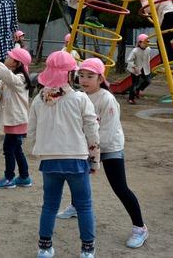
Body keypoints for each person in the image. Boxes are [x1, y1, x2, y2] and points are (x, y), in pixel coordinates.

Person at [57, 58, 148, 249]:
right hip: (85, 146)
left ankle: (140, 227)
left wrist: (93, 153)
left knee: (120, 187)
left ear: (100, 78)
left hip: (109, 147)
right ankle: (75, 206)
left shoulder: (107, 99)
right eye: (81, 75)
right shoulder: (79, 96)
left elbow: (107, 131)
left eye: (90, 76)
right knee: (77, 177)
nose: (84, 80)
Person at [29, 51, 100, 258]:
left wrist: (40, 148)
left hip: (49, 160)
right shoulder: (80, 99)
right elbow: (92, 131)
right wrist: (94, 161)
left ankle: (44, 247)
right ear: (70, 74)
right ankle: (87, 250)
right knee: (84, 205)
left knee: (49, 205)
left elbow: (31, 131)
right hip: (76, 159)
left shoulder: (38, 100)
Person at [0, 47, 33, 189]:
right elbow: (0, 85)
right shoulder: (11, 75)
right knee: (16, 148)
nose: (6, 58)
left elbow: (8, 79)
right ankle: (24, 177)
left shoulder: (19, 79)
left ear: (17, 63)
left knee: (8, 148)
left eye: (9, 57)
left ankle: (9, 177)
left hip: (16, 119)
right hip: (14, 119)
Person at [126, 33, 152, 105]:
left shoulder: (148, 49)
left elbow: (147, 58)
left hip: (144, 68)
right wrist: (134, 67)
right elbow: (129, 60)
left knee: (148, 81)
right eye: (144, 42)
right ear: (139, 43)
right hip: (135, 68)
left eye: (147, 42)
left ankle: (138, 90)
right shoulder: (135, 51)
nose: (146, 44)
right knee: (135, 83)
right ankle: (131, 98)